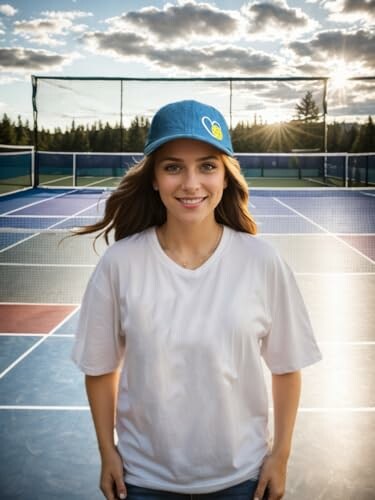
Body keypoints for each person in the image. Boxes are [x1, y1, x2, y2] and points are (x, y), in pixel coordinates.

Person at [72, 100, 322, 500]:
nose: (191, 183)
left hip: (242, 480)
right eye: (173, 167)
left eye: (207, 166)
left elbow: (288, 367)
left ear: (225, 176)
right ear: (154, 177)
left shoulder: (262, 262)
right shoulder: (120, 264)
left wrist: (281, 455)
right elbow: (100, 369)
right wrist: (107, 452)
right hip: (142, 481)